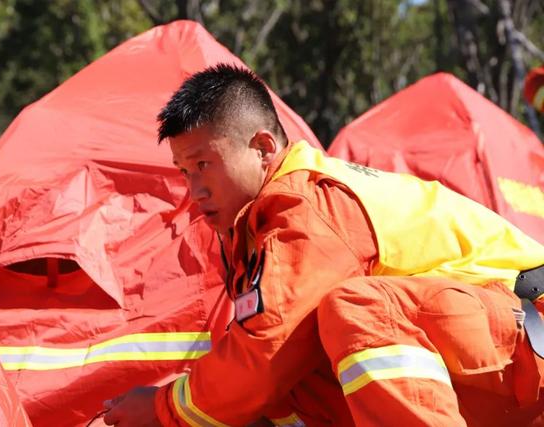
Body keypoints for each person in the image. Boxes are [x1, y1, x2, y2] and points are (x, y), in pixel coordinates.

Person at [103, 64, 544, 426]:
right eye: (184, 171)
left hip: (530, 330)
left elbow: (265, 351)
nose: (194, 188)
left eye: (204, 164)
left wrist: (163, 409)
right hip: (496, 349)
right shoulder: (257, 224)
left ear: (262, 148)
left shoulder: (307, 204)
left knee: (355, 309)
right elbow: (264, 366)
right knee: (287, 380)